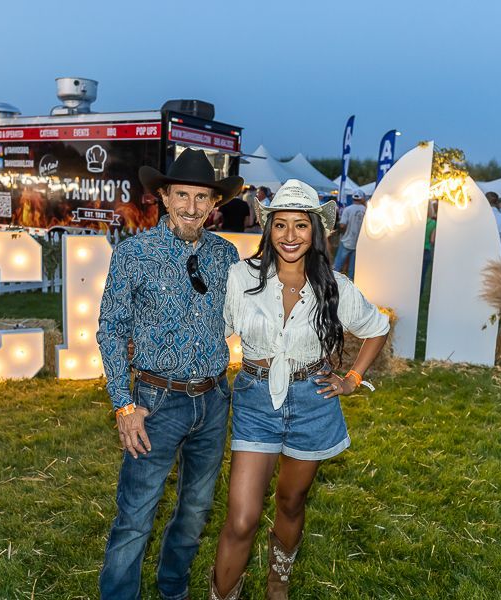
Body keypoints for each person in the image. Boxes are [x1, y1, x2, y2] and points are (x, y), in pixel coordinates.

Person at [209, 179, 389, 599]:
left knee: (290, 503)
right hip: (256, 399)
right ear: (268, 229)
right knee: (241, 518)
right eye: (280, 225)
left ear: (316, 232)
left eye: (301, 226)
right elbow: (214, 333)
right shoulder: (241, 276)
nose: (290, 236)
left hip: (314, 402)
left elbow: (377, 328)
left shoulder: (335, 286)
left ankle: (278, 581)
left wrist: (352, 379)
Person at [97, 149, 244, 600]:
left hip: (214, 398)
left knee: (197, 509)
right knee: (136, 514)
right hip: (156, 403)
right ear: (163, 196)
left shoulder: (226, 254)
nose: (192, 207)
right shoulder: (134, 253)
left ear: (214, 204)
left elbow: (248, 315)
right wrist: (124, 404)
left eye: (203, 197)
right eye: (183, 194)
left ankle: (172, 587)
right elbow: (112, 331)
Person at [332, 189, 366, 278]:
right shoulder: (366, 210)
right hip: (358, 243)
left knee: (337, 267)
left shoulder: (348, 209)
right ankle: (350, 287)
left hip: (346, 240)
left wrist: (341, 232)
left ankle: (332, 285)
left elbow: (343, 225)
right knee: (352, 269)